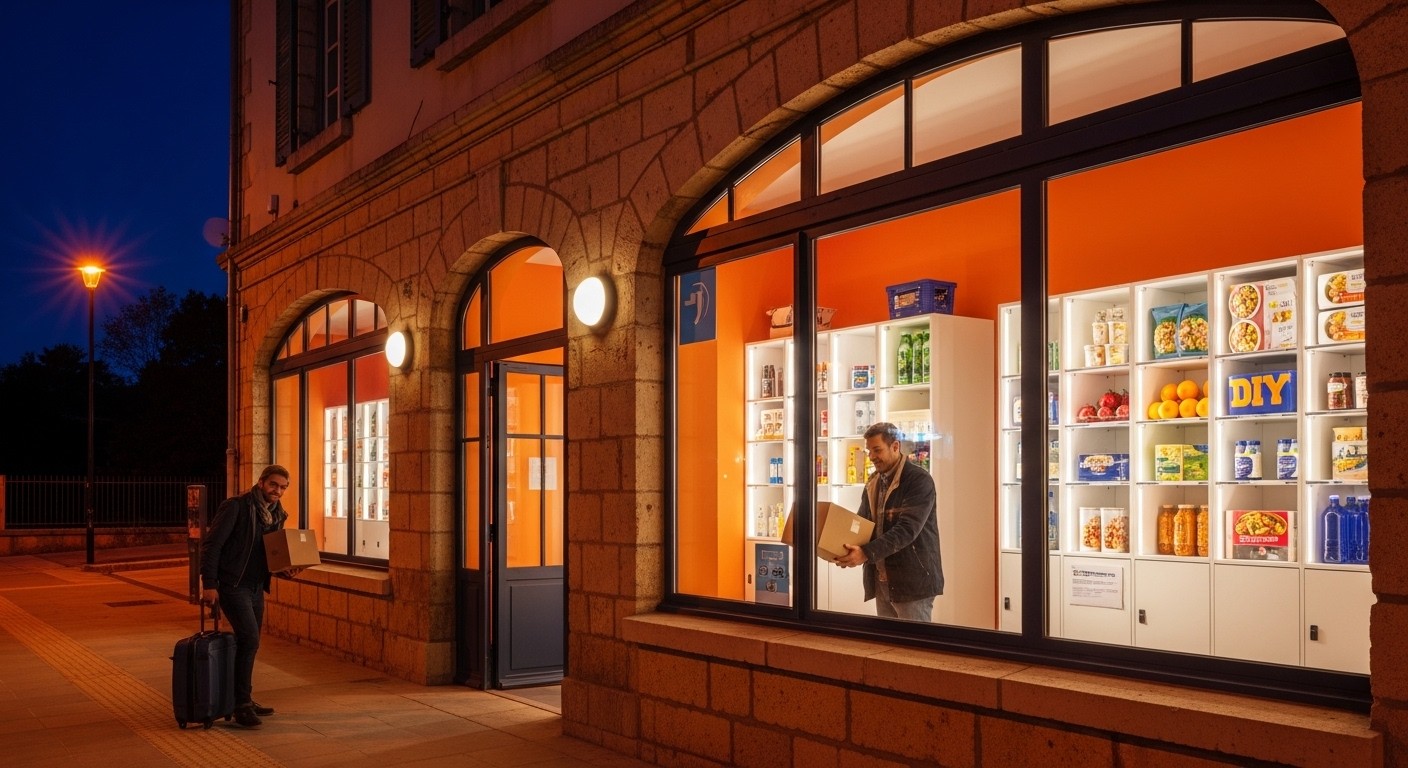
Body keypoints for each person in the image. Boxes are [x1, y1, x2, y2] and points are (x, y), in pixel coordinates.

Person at [200, 464, 295, 727]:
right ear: (262, 482)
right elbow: (212, 545)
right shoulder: (237, 506)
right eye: (274, 485)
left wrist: (281, 570)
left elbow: (269, 553)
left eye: (283, 487)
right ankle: (241, 705)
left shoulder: (277, 514)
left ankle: (243, 697)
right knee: (249, 639)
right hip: (233, 585)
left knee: (250, 643)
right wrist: (209, 583)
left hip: (255, 587)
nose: (278, 491)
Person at [833, 422, 943, 621]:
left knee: (913, 649)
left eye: (877, 450)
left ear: (895, 446)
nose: (872, 457)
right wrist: (843, 549)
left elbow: (907, 530)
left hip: (913, 582)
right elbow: (862, 523)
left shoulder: (919, 480)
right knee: (889, 648)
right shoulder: (874, 481)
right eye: (869, 451)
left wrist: (865, 553)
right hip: (882, 579)